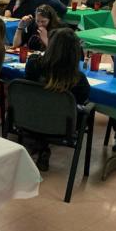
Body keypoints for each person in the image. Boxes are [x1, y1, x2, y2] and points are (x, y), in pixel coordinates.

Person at [25, 28, 90, 171]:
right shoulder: (78, 79)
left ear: (51, 45)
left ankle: (41, 145)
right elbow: (82, 99)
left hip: (30, 118)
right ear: (75, 52)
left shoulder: (33, 64)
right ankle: (42, 146)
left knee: (44, 105)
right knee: (84, 109)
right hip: (62, 126)